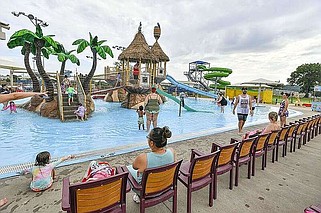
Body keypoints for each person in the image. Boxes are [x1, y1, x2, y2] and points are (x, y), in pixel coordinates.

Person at [127, 126, 176, 203]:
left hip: (147, 192)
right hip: (166, 187)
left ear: (151, 143)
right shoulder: (172, 152)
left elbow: (134, 167)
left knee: (126, 169)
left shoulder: (143, 158)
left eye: (148, 137)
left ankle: (139, 196)